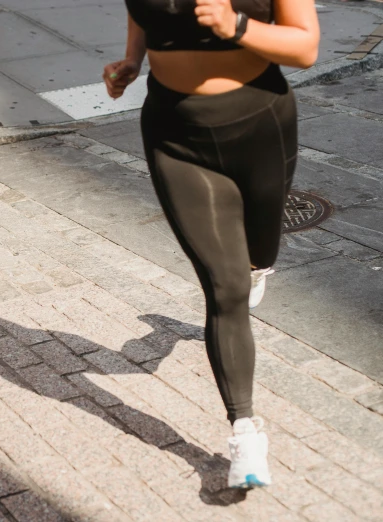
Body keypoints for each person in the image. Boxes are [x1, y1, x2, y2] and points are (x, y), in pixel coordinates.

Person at [103, 0, 319, 489]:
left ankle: (258, 266)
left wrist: (235, 25)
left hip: (260, 123)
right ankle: (244, 430)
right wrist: (132, 60)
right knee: (225, 288)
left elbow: (305, 47)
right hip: (175, 135)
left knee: (257, 259)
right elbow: (140, 11)